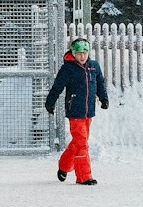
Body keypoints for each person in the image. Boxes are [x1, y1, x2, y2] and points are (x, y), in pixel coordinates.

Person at [44, 37, 109, 185]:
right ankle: (84, 176)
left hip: (88, 111)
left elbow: (100, 83)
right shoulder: (68, 68)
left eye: (85, 53)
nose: (82, 56)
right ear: (73, 53)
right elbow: (57, 86)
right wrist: (50, 101)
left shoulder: (94, 66)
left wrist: (104, 98)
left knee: (79, 141)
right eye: (79, 53)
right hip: (75, 111)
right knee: (82, 144)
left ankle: (64, 165)